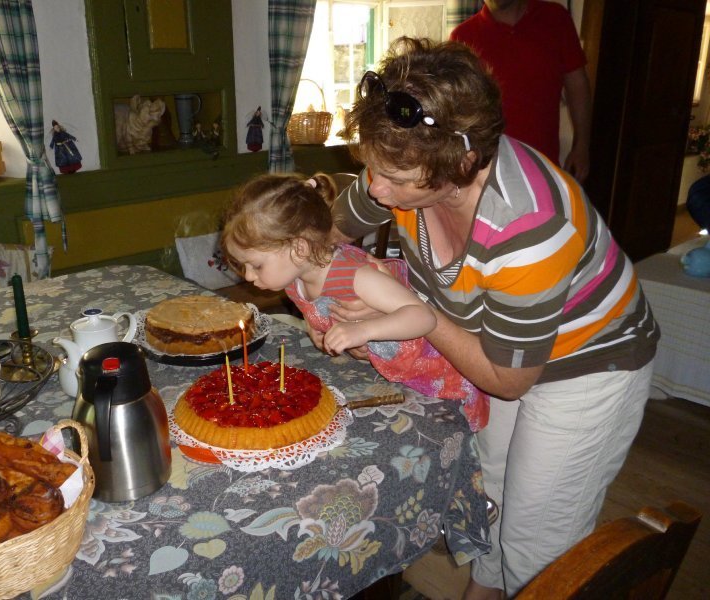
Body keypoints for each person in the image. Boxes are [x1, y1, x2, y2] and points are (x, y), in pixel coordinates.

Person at [326, 38, 658, 598]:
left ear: (462, 162)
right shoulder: (402, 159)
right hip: (498, 344)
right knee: (490, 492)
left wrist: (413, 313)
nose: (377, 189)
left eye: (396, 180)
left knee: (537, 545)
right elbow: (331, 237)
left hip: (588, 362)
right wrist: (325, 284)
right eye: (370, 168)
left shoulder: (527, 224)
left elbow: (506, 379)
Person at [221, 172, 490, 432]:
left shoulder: (354, 276)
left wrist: (362, 330)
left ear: (299, 248)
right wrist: (316, 327)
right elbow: (315, 308)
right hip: (396, 377)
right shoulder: (293, 279)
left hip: (439, 372)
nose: (248, 276)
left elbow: (423, 317)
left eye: (256, 265)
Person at [451, 0, 592, 183]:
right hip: (487, 174)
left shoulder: (555, 19)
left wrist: (582, 146)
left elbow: (577, 85)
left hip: (543, 167)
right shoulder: (462, 37)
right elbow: (456, 112)